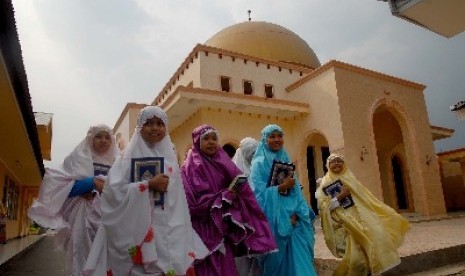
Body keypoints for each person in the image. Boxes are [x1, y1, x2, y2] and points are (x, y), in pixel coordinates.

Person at [84, 106, 208, 276]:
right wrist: (147, 186)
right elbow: (112, 193)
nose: (155, 128)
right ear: (139, 127)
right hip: (136, 232)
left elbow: (179, 204)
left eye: (160, 123)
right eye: (149, 123)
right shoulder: (125, 161)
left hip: (168, 232)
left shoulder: (170, 161)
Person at [181, 125, 277, 276]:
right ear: (197, 141)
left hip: (224, 228)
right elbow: (193, 203)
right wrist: (224, 196)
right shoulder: (190, 167)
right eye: (206, 138)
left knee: (227, 267)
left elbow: (242, 190)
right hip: (203, 231)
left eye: (214, 138)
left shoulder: (223, 162)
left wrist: (235, 194)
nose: (211, 142)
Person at [28, 124, 119, 275]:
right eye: (98, 136)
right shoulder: (77, 159)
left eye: (107, 137)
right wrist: (89, 184)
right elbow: (61, 186)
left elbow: (122, 189)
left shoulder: (118, 163)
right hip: (82, 216)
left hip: (108, 216)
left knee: (106, 255)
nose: (103, 140)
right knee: (81, 253)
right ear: (90, 138)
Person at [315, 154, 410, 276]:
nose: (337, 163)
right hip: (344, 224)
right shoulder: (324, 183)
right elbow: (323, 208)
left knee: (370, 250)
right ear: (328, 165)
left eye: (340, 161)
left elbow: (366, 199)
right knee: (356, 259)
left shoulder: (351, 179)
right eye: (333, 161)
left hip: (362, 220)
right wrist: (340, 197)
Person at [250, 124, 317, 276]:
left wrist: (297, 213)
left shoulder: (285, 158)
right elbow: (258, 196)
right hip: (274, 223)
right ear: (264, 139)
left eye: (280, 136)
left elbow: (295, 192)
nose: (277, 139)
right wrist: (280, 188)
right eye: (272, 136)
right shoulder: (258, 164)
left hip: (295, 222)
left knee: (302, 266)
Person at [232, 137, 260, 276]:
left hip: (259, 221)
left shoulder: (260, 170)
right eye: (251, 152)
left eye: (256, 152)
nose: (253, 156)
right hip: (241, 223)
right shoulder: (233, 173)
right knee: (243, 261)